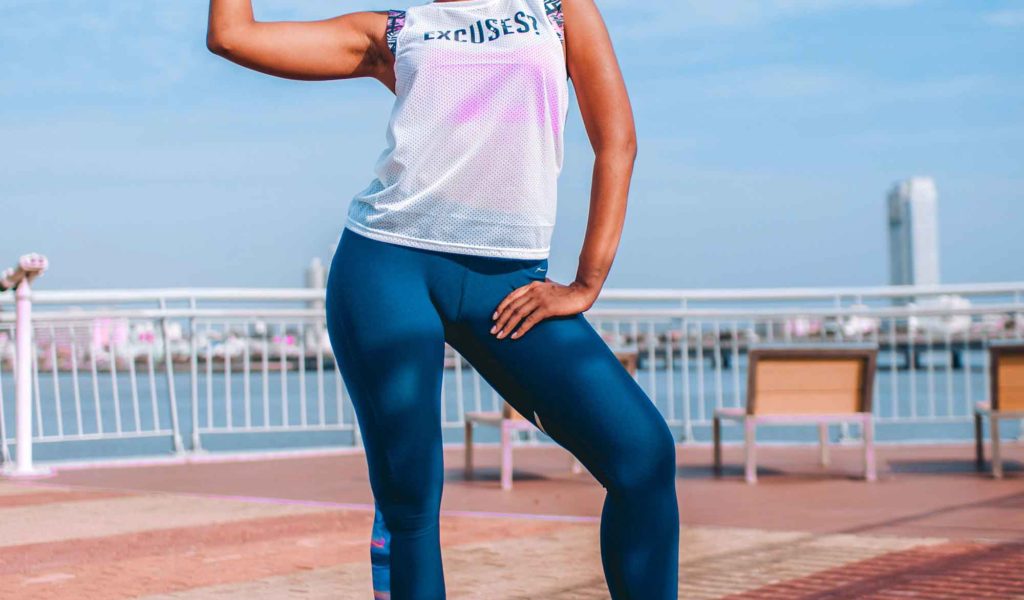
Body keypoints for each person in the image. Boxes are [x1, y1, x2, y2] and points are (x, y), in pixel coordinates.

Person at [206, 0, 679, 598]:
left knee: (643, 456)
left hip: (508, 283)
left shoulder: (557, 9)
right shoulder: (396, 30)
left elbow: (616, 142)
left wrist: (587, 282)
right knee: (410, 505)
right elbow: (232, 36)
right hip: (386, 269)